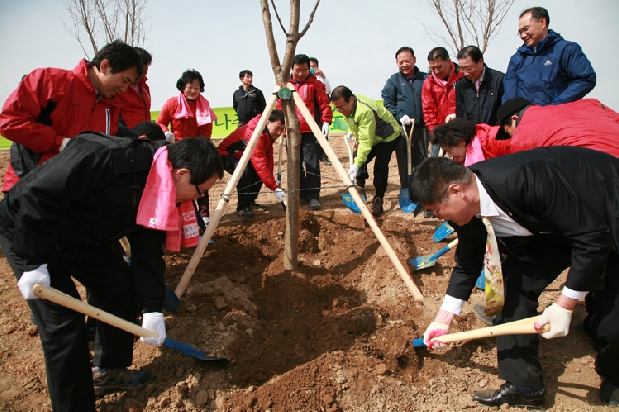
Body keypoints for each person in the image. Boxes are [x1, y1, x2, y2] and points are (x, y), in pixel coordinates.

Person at [0, 133, 223, 411]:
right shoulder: (104, 157)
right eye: (200, 191)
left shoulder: (161, 191)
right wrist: (32, 261)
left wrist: (153, 309)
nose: (198, 199)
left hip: (84, 238)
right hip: (32, 230)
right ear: (182, 174)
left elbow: (147, 252)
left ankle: (109, 370)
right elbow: (38, 196)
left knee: (119, 287)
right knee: (63, 324)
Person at [410, 151, 619, 408]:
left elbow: (592, 239)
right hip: (547, 229)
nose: (438, 219)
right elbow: (466, 266)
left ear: (456, 191)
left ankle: (615, 377)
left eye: (435, 211)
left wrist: (565, 303)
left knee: (614, 320)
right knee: (510, 290)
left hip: (606, 210)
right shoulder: (466, 215)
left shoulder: (524, 179)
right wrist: (443, 320)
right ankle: (525, 386)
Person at [0, 39, 143, 192]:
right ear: (105, 66)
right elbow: (10, 122)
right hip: (31, 188)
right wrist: (60, 143)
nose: (124, 89)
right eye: (125, 81)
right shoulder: (50, 81)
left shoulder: (112, 105)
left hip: (75, 193)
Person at [157, 69, 217, 224]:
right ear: (183, 87)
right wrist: (166, 133)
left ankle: (204, 216)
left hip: (197, 149)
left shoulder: (204, 105)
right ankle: (179, 216)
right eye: (190, 87)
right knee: (180, 183)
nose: (193, 91)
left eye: (197, 88)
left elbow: (206, 129)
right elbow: (160, 122)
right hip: (178, 149)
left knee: (201, 180)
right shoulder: (172, 103)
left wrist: (200, 147)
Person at [503, 6, 596, 105]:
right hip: (527, 118)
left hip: (558, 116)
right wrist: (510, 115)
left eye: (526, 29)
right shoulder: (517, 59)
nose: (523, 35)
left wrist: (556, 105)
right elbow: (509, 95)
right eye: (520, 32)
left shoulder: (566, 50)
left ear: (542, 22)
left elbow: (585, 79)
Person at [331, 86, 400, 217]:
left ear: (350, 99)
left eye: (342, 107)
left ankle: (378, 198)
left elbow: (365, 142)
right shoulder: (348, 105)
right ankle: (360, 190)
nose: (340, 110)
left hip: (387, 135)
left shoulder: (364, 111)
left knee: (379, 166)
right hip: (372, 135)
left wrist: (357, 163)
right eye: (337, 108)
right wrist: (354, 131)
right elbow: (361, 128)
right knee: (358, 157)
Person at [277, 54, 332, 210]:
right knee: (295, 165)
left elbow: (324, 104)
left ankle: (313, 196)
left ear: (310, 69)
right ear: (292, 69)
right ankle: (299, 194)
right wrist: (282, 124)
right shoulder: (286, 86)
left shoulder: (315, 84)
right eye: (297, 70)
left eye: (304, 70)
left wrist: (326, 120)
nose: (300, 73)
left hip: (310, 131)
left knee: (312, 164)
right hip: (291, 131)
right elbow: (280, 106)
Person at [382, 46, 429, 202]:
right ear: (397, 63)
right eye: (401, 62)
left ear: (414, 60)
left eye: (407, 61)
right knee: (404, 160)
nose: (404, 64)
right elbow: (387, 101)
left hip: (421, 126)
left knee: (421, 160)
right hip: (402, 128)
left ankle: (421, 194)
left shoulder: (425, 78)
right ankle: (406, 191)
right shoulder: (394, 81)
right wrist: (399, 115)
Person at [218, 110, 286, 218]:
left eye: (282, 129)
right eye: (277, 128)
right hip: (226, 155)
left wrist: (272, 181)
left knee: (260, 173)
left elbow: (267, 160)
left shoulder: (268, 135)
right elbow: (260, 162)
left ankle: (251, 202)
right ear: (267, 122)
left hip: (243, 157)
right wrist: (274, 187)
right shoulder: (255, 133)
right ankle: (243, 207)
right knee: (244, 172)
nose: (279, 132)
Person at [422, 47, 463, 158]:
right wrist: (436, 132)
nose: (436, 71)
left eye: (439, 67)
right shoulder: (429, 83)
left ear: (449, 62)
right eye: (432, 68)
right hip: (440, 131)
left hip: (460, 131)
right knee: (436, 164)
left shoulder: (461, 78)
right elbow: (428, 110)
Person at [455, 45, 504, 126]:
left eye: (469, 68)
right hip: (472, 135)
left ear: (480, 61)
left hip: (494, 133)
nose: (465, 73)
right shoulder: (461, 85)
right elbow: (461, 114)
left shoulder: (498, 80)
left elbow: (503, 111)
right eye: (462, 69)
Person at [116, 47, 153, 129]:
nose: (142, 75)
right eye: (140, 72)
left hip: (144, 136)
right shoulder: (119, 88)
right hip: (125, 137)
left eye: (145, 72)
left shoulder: (145, 88)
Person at [309, 56, 333, 166]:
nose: (312, 69)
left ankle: (324, 156)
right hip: (309, 110)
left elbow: (328, 90)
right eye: (310, 67)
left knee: (323, 134)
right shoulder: (305, 80)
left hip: (319, 110)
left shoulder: (320, 79)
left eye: (314, 66)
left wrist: (323, 76)